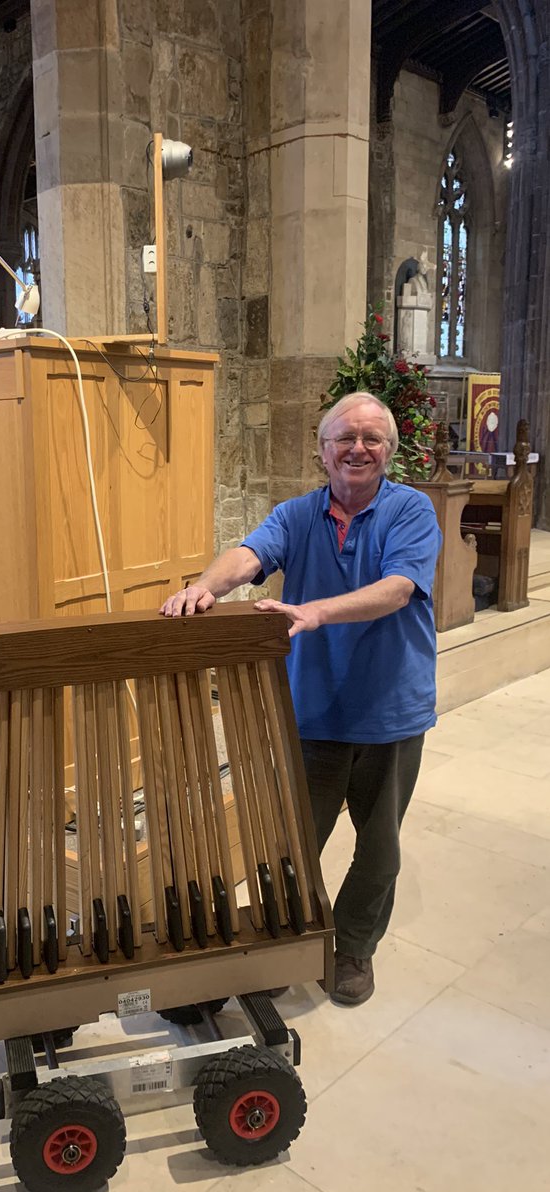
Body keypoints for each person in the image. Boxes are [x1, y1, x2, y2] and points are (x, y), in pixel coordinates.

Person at [160, 392, 441, 1006]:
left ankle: (353, 947)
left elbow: (397, 589)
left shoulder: (411, 512)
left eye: (371, 438)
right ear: (321, 451)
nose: (357, 448)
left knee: (379, 845)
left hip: (390, 710)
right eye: (345, 438)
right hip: (313, 710)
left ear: (389, 452)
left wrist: (313, 610)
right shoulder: (296, 515)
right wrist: (204, 587)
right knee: (291, 840)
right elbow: (250, 553)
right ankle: (285, 940)